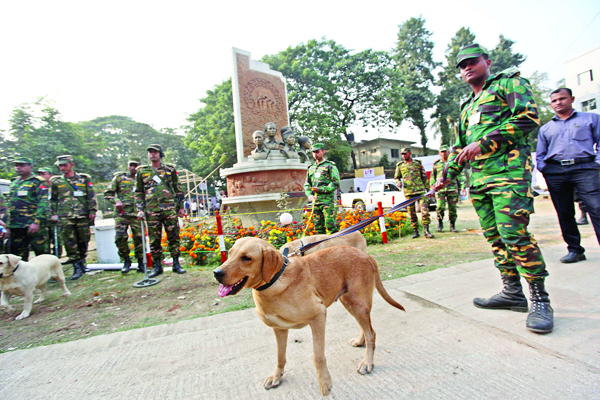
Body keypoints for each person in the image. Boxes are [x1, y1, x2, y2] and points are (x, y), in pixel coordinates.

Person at [433, 43, 552, 333]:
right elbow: (461, 149)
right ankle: (512, 292)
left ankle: (540, 299)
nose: (467, 68)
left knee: (514, 234)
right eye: (462, 65)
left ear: (487, 61)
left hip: (509, 174)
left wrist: (484, 143)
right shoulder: (466, 107)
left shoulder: (508, 83)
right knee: (496, 237)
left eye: (472, 62)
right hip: (481, 182)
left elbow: (528, 118)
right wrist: (446, 175)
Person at [536, 87, 599, 263]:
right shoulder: (546, 129)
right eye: (554, 101)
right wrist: (545, 169)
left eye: (562, 99)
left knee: (596, 208)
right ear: (550, 104)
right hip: (556, 171)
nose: (559, 103)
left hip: (585, 168)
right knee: (564, 212)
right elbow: (541, 154)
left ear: (571, 99)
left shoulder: (591, 119)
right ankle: (575, 250)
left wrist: (597, 164)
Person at [135, 144, 186, 277]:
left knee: (173, 236)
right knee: (154, 239)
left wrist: (181, 206)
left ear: (160, 154)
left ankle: (176, 264)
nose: (152, 154)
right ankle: (157, 266)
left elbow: (178, 188)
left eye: (155, 152)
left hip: (169, 209)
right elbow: (139, 191)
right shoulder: (141, 171)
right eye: (150, 152)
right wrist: (140, 209)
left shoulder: (169, 169)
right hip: (151, 210)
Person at [50, 155, 97, 280]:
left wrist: (92, 210)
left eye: (64, 165)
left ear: (72, 165)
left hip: (82, 215)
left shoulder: (84, 178)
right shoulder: (56, 181)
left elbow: (91, 196)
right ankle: (76, 266)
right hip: (65, 216)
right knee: (69, 241)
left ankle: (82, 262)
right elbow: (53, 199)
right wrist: (54, 214)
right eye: (60, 165)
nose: (62, 168)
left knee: (84, 240)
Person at [104, 156, 144, 274]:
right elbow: (108, 193)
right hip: (122, 214)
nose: (132, 167)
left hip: (137, 214)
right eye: (130, 165)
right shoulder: (120, 178)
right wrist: (116, 200)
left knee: (139, 239)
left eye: (135, 165)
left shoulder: (143, 178)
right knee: (120, 238)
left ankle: (141, 262)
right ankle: (126, 260)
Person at [6, 157, 49, 260]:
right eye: (16, 165)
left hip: (32, 223)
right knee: (18, 256)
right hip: (16, 225)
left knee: (42, 254)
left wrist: (36, 222)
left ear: (31, 167)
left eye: (22, 165)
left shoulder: (38, 181)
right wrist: (7, 224)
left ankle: (47, 276)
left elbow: (43, 202)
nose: (18, 168)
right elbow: (9, 204)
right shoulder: (14, 182)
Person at [394, 148, 434, 239]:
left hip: (420, 191)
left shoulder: (417, 164)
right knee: (411, 213)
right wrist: (398, 183)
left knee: (425, 211)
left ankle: (426, 230)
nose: (404, 155)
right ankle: (415, 231)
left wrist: (428, 190)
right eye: (402, 154)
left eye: (405, 153)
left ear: (410, 153)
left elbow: (424, 177)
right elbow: (396, 177)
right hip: (409, 192)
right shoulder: (400, 166)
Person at [304, 143, 340, 234]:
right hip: (315, 201)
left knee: (330, 225)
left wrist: (321, 189)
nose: (315, 154)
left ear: (323, 152)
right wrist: (309, 195)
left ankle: (335, 246)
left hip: (326, 201)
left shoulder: (330, 165)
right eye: (313, 152)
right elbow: (307, 184)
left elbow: (335, 183)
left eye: (317, 152)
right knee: (318, 227)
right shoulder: (311, 168)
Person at [430, 145, 460, 233]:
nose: (443, 154)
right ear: (439, 153)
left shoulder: (453, 162)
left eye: (445, 151)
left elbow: (459, 176)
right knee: (440, 207)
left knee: (453, 208)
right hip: (440, 189)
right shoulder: (436, 164)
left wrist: (462, 187)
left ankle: (452, 225)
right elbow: (433, 177)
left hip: (452, 188)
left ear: (448, 152)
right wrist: (432, 187)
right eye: (442, 152)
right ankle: (440, 224)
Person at [37, 167, 63, 257]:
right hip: (43, 218)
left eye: (43, 174)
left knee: (57, 238)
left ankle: (57, 256)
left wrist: (56, 214)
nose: (41, 176)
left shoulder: (56, 186)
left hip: (55, 216)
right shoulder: (38, 187)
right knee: (44, 239)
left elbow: (59, 201)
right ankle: (47, 256)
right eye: (39, 174)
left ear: (50, 175)